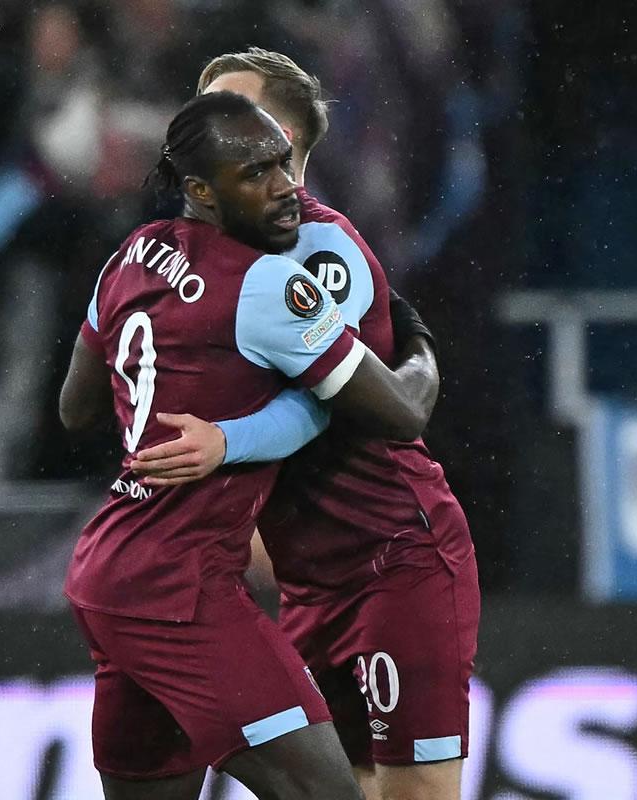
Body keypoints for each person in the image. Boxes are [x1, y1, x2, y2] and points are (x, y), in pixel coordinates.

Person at [58, 90, 440, 800]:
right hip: (180, 588)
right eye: (255, 174)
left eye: (283, 164)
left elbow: (74, 408)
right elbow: (401, 412)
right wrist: (419, 342)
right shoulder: (267, 286)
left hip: (108, 575)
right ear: (200, 191)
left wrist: (201, 402)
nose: (284, 187)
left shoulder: (130, 255)